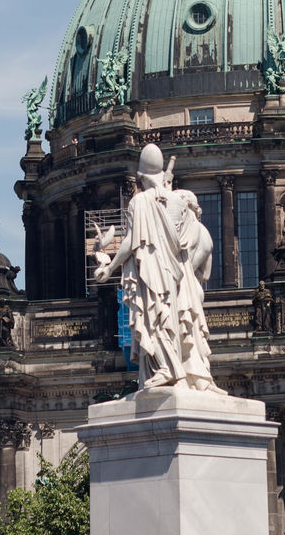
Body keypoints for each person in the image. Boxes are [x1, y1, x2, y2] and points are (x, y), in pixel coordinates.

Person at [93, 144, 219, 392]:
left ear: (141, 177)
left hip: (152, 271)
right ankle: (185, 371)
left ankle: (165, 368)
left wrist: (110, 268)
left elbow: (131, 240)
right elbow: (199, 247)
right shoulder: (180, 201)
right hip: (178, 275)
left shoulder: (139, 201)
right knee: (170, 320)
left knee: (153, 319)